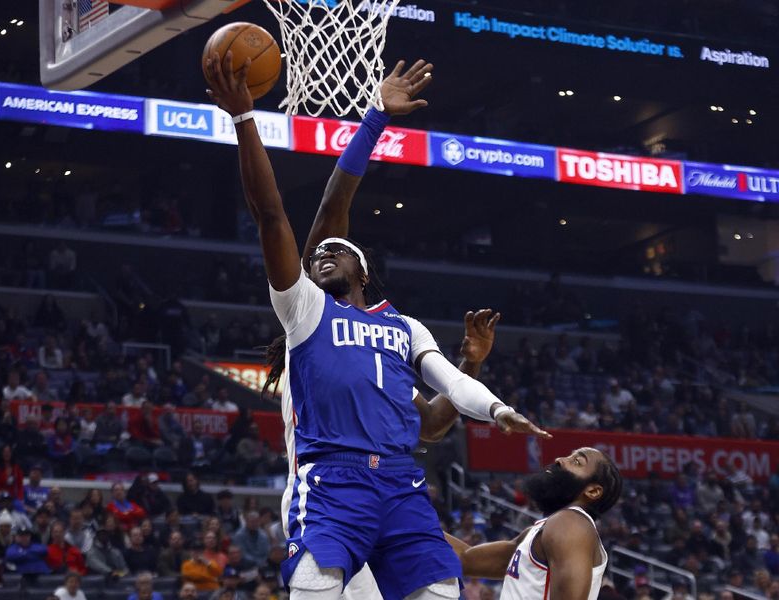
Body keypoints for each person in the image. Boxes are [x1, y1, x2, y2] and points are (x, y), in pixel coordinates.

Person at [206, 52, 548, 600]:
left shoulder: (399, 331)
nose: (322, 254)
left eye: (336, 252)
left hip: (396, 483)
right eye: (316, 254)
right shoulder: (308, 310)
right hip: (329, 484)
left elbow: (433, 424)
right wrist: (252, 119)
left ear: (362, 271)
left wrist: (478, 373)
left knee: (439, 589)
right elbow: (282, 216)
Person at [446, 447, 622, 600]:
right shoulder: (542, 530)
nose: (559, 460)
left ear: (592, 491)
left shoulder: (571, 524)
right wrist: (419, 505)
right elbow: (464, 558)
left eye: (577, 461)